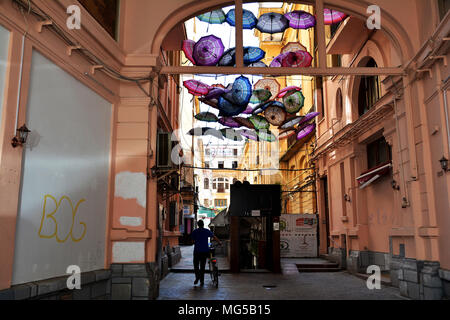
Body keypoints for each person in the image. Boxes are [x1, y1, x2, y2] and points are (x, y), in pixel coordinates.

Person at [190, 219, 222, 286]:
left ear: (198, 225)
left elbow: (192, 241)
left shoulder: (195, 231)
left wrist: (196, 241)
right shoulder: (206, 231)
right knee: (202, 266)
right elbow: (214, 237)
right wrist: (219, 242)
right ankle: (202, 281)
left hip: (197, 251)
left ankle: (197, 277)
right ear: (203, 224)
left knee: (196, 265)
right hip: (205, 251)